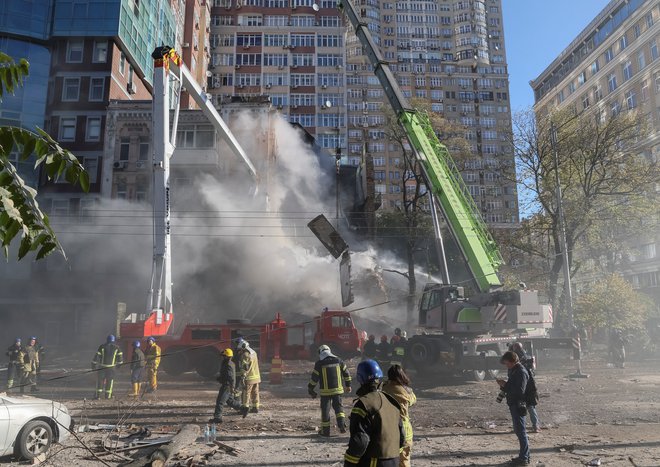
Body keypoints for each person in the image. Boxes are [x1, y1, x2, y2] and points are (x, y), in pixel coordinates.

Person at [344, 359, 404, 467]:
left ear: (360, 379)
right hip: (394, 460)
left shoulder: (364, 404)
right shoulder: (391, 401)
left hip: (374, 462)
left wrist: (349, 462)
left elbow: (360, 441)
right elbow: (402, 436)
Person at [308, 344, 352, 436]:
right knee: (339, 408)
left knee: (325, 411)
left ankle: (326, 431)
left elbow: (314, 379)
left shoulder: (319, 364)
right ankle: (342, 426)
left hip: (325, 392)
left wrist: (311, 388)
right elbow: (346, 373)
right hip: (337, 391)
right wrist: (348, 385)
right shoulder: (339, 360)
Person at [497, 351, 530, 466]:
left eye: (507, 363)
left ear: (512, 361)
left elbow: (519, 391)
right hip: (513, 403)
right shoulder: (514, 370)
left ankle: (524, 458)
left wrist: (505, 385)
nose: (506, 366)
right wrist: (504, 385)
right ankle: (524, 456)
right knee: (519, 431)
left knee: (521, 432)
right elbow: (513, 387)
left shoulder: (520, 372)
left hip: (518, 404)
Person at [382, 365, 417, 467]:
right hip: (405, 430)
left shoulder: (384, 388)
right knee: (404, 460)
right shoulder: (407, 391)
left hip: (388, 429)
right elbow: (413, 400)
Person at [510, 343, 540, 432]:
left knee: (528, 407)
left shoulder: (521, 363)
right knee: (528, 407)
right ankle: (534, 426)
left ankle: (534, 425)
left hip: (527, 388)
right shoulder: (524, 359)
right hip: (526, 388)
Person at [92, 334, 124, 399]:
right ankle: (108, 396)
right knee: (109, 382)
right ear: (114, 340)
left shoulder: (102, 347)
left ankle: (98, 396)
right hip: (111, 368)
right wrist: (118, 367)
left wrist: (93, 366)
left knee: (100, 381)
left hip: (102, 368)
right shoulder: (117, 348)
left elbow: (96, 357)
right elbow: (120, 361)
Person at [210, 348, 236, 423]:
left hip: (227, 386)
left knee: (220, 402)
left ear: (227, 357)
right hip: (227, 385)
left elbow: (231, 377)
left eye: (224, 356)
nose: (222, 357)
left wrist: (232, 387)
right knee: (230, 401)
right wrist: (219, 378)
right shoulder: (228, 363)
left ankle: (217, 418)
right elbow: (226, 375)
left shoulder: (228, 364)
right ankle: (243, 408)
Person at [238, 339, 261, 417]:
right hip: (256, 377)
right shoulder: (254, 352)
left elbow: (245, 367)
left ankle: (245, 409)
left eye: (241, 349)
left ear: (243, 347)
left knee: (246, 393)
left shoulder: (245, 354)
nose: (240, 350)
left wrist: (243, 377)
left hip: (249, 378)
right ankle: (255, 407)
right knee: (255, 393)